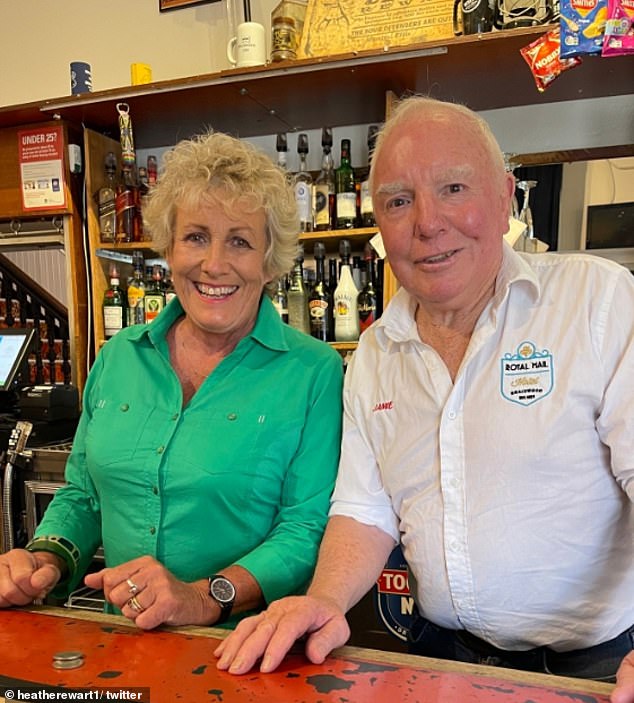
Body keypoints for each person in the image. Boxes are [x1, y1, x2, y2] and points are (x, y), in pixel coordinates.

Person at [214, 96, 634, 701]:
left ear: (505, 195)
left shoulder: (596, 303)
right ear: (380, 221)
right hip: (443, 661)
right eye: (399, 201)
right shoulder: (376, 355)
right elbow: (365, 508)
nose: (428, 223)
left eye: (454, 188)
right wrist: (324, 600)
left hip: (596, 671)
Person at [0, 131, 343, 630]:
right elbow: (84, 495)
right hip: (126, 645)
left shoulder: (312, 372)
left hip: (248, 652)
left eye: (240, 241)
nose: (214, 264)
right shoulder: (119, 357)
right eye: (196, 236)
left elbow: (305, 530)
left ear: (270, 262)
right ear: (169, 247)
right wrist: (45, 561)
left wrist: (203, 597)